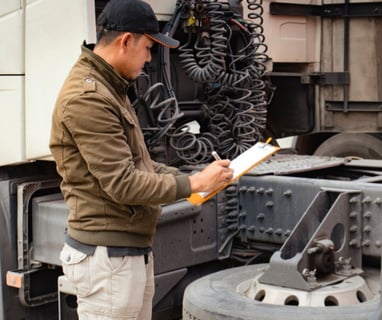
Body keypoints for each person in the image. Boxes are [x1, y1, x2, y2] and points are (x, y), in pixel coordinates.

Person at [49, 0, 233, 319]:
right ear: (126, 41)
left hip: (123, 255)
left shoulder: (110, 88)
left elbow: (139, 164)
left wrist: (196, 178)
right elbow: (123, 183)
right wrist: (193, 183)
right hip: (108, 259)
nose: (149, 59)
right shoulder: (89, 98)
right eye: (148, 48)